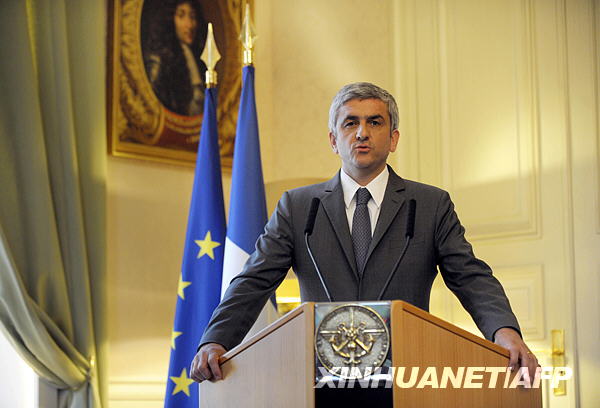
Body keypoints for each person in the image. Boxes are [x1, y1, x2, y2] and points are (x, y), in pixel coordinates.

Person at [190, 82, 538, 383]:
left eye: (375, 122)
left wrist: (504, 332)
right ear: (333, 139)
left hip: (406, 373)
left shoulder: (430, 204)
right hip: (320, 376)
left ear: (393, 138)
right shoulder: (298, 207)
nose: (361, 133)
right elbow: (254, 280)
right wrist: (216, 340)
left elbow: (471, 277)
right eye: (350, 123)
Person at [143, 0, 206, 117]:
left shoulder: (198, 58)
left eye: (192, 17)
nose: (189, 25)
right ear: (170, 19)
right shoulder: (159, 61)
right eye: (181, 16)